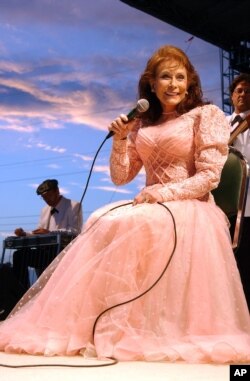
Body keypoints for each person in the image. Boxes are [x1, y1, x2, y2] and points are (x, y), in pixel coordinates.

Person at [0, 45, 249, 364]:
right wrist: (120, 139)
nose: (173, 84)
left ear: (189, 83)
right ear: (151, 84)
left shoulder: (206, 115)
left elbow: (209, 177)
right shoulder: (142, 124)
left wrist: (163, 194)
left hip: (190, 204)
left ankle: (150, 326)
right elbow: (120, 177)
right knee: (102, 219)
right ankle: (97, 325)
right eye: (165, 77)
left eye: (179, 77)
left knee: (136, 223)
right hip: (149, 203)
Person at [12, 179, 83, 292]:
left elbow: (75, 231)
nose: (46, 200)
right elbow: (40, 232)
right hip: (45, 253)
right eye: (43, 197)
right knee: (19, 255)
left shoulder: (74, 205)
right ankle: (21, 294)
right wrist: (25, 234)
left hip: (63, 253)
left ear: (57, 191)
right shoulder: (44, 210)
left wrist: (51, 233)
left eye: (48, 195)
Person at [226, 73, 250, 310]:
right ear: (232, 95)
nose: (242, 95)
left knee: (246, 263)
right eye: (239, 90)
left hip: (249, 206)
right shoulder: (221, 123)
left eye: (247, 91)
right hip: (221, 207)